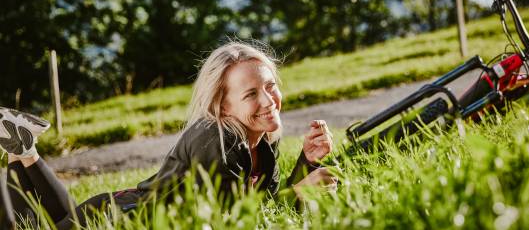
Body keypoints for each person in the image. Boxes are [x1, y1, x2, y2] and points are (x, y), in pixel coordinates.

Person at [0, 42, 337, 229]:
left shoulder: (260, 142)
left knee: (56, 221)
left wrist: (307, 164)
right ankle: (20, 152)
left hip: (117, 210)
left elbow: (266, 204)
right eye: (250, 94)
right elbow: (235, 222)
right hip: (117, 223)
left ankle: (23, 150)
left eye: (270, 86)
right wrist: (299, 193)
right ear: (222, 105)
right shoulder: (217, 141)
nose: (268, 100)